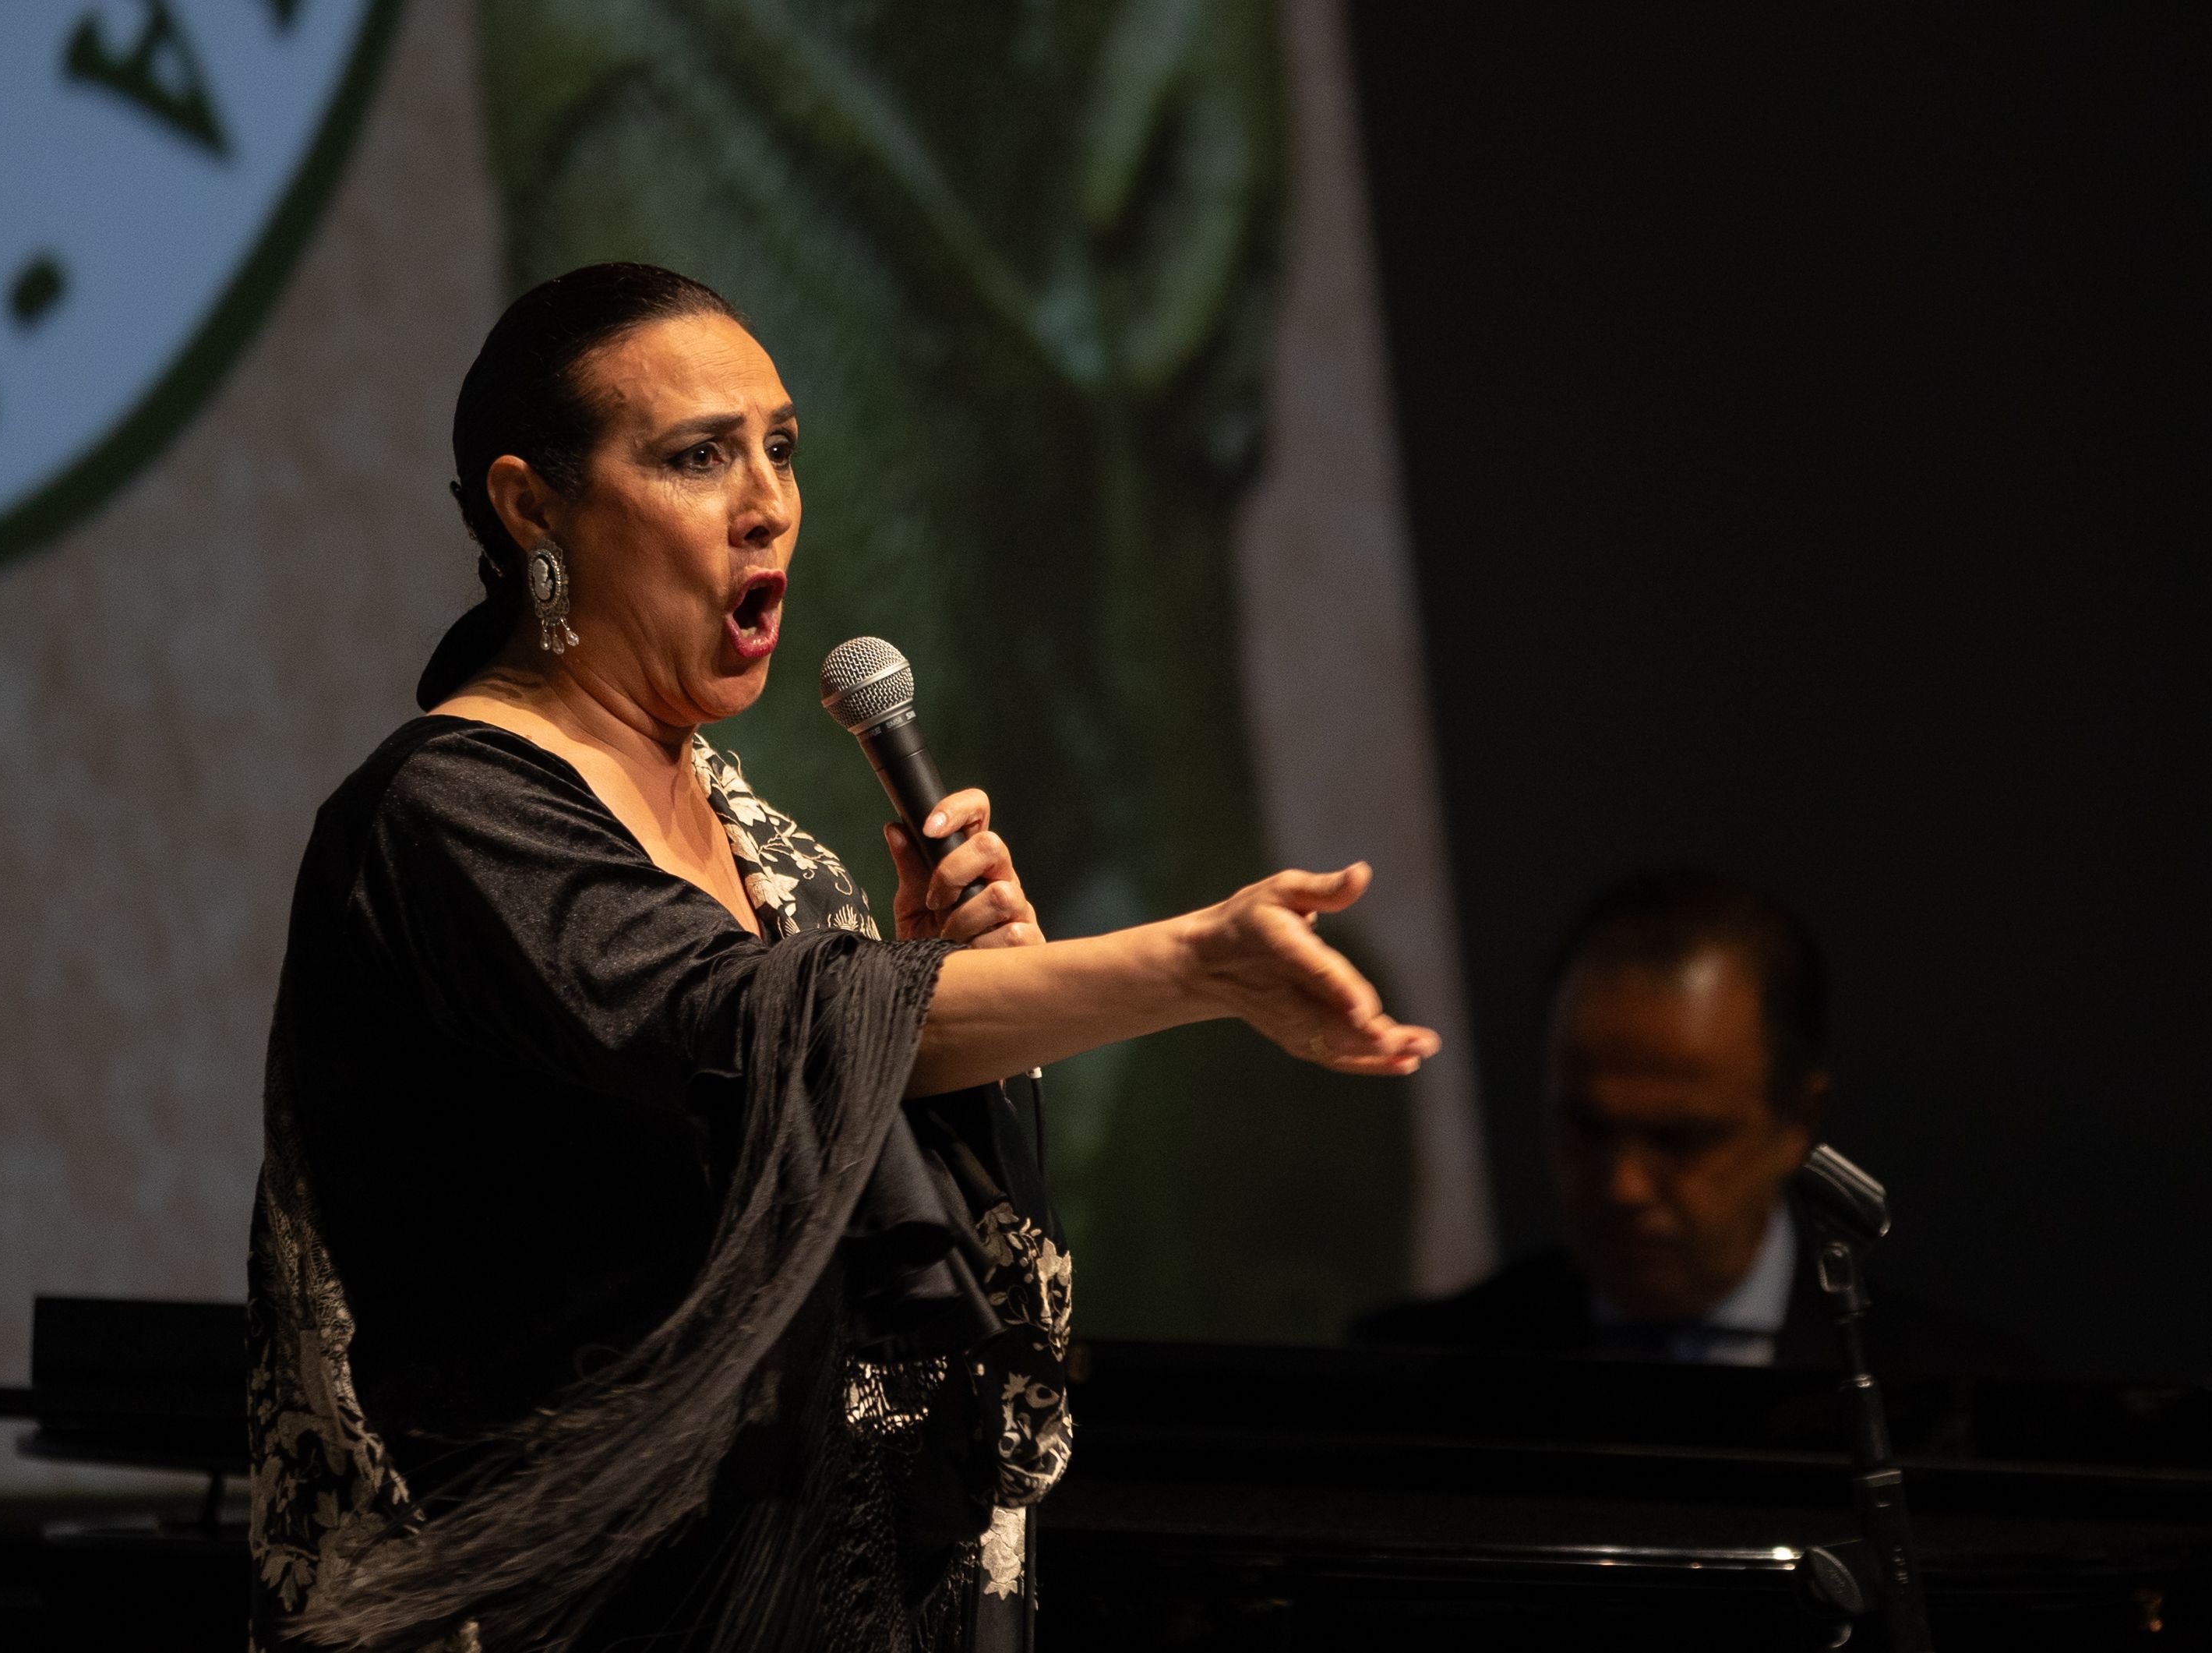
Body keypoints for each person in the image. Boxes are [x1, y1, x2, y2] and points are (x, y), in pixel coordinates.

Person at [246, 264, 1437, 1653]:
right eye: (698, 457)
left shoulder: (779, 854)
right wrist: (1192, 967)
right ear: (531, 508)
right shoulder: (448, 814)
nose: (766, 503)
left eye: (781, 448)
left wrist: (940, 1012)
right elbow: (744, 1030)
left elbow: (880, 1228)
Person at [1356, 867, 2013, 1372]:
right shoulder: (1415, 1372)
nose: (1624, 1187)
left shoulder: (1959, 1396)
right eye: (1584, 1128)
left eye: (1680, 1139)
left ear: (1796, 1121)